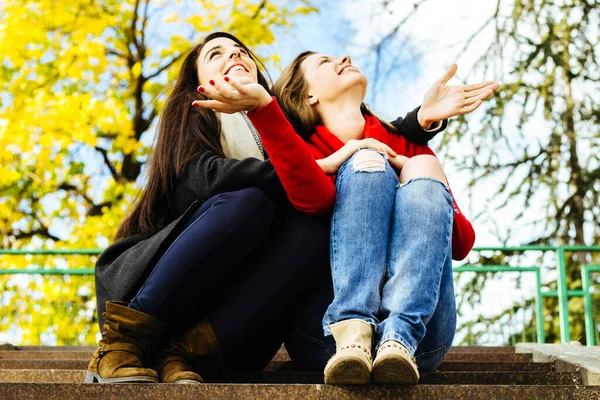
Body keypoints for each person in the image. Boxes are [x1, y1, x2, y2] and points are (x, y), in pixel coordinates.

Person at [86, 32, 443, 385]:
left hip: (233, 315)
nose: (234, 56)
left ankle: (187, 353)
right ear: (198, 83)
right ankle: (122, 344)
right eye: (216, 54)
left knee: (315, 227)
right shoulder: (197, 114)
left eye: (241, 51)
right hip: (165, 282)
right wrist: (310, 167)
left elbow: (344, 126)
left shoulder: (277, 123)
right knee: (250, 201)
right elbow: (203, 176)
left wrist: (418, 124)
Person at [197, 50, 497, 385]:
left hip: (420, 342)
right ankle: (354, 327)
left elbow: (460, 243)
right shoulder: (301, 153)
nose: (344, 57)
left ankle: (398, 333)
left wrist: (424, 171)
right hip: (323, 335)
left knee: (420, 167)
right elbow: (311, 198)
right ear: (307, 95)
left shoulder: (411, 146)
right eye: (325, 63)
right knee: (367, 162)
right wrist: (356, 156)